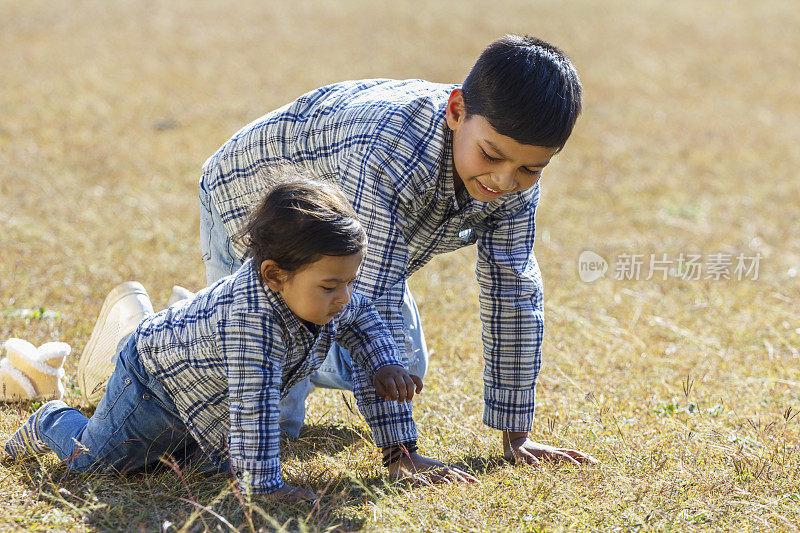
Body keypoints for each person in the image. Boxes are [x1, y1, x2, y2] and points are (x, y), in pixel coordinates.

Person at [6, 174, 477, 503]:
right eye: (331, 286)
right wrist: (264, 486)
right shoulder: (251, 321)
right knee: (99, 463)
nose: (345, 297)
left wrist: (393, 418)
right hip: (152, 382)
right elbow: (254, 403)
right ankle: (51, 419)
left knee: (190, 466)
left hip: (206, 395)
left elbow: (367, 326)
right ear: (274, 275)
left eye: (350, 281)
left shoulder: (330, 295)